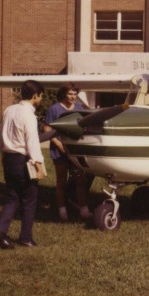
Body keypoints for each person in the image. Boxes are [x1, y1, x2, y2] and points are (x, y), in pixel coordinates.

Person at [0, 80, 46, 249]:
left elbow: (2, 135)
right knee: (30, 200)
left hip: (8, 159)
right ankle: (26, 237)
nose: (41, 99)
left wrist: (2, 155)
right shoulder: (29, 115)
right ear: (35, 95)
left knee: (12, 198)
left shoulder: (9, 110)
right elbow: (32, 142)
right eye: (41, 96)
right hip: (23, 161)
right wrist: (38, 165)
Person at [44, 82, 92, 221]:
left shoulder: (79, 107)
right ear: (64, 94)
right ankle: (61, 209)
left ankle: (83, 209)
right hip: (60, 151)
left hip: (75, 150)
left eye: (75, 94)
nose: (72, 97)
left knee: (80, 180)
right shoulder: (54, 109)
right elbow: (46, 129)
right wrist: (59, 145)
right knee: (61, 181)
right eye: (70, 94)